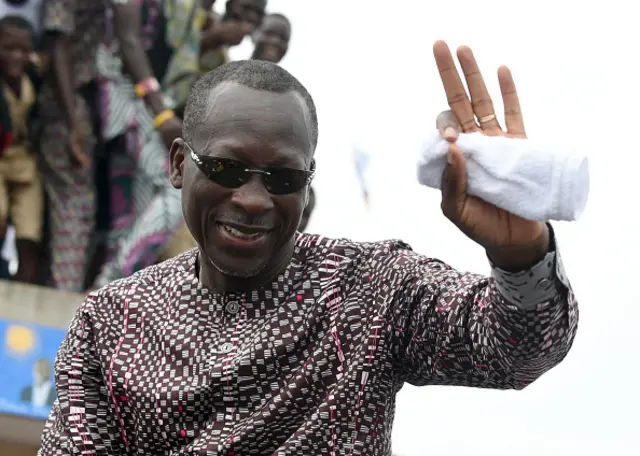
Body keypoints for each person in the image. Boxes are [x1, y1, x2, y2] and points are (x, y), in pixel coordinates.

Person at [39, 43, 578, 455]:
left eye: (282, 178)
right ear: (180, 164)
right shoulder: (113, 323)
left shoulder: (369, 289)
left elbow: (517, 350)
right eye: (226, 169)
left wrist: (522, 256)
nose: (252, 200)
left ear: (308, 180)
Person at [91, 0, 207, 289]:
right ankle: (113, 279)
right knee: (175, 187)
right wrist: (163, 114)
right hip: (121, 95)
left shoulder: (178, 9)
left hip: (134, 101)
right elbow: (129, 42)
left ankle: (113, 285)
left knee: (130, 202)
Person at [37, 0, 106, 291]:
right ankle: (64, 301)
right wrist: (72, 123)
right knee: (73, 204)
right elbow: (59, 43)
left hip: (104, 107)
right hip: (70, 103)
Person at [0, 15, 42, 283]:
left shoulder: (33, 80)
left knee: (30, 234)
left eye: (23, 51)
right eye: (8, 49)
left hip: (25, 161)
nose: (17, 56)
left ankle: (23, 297)